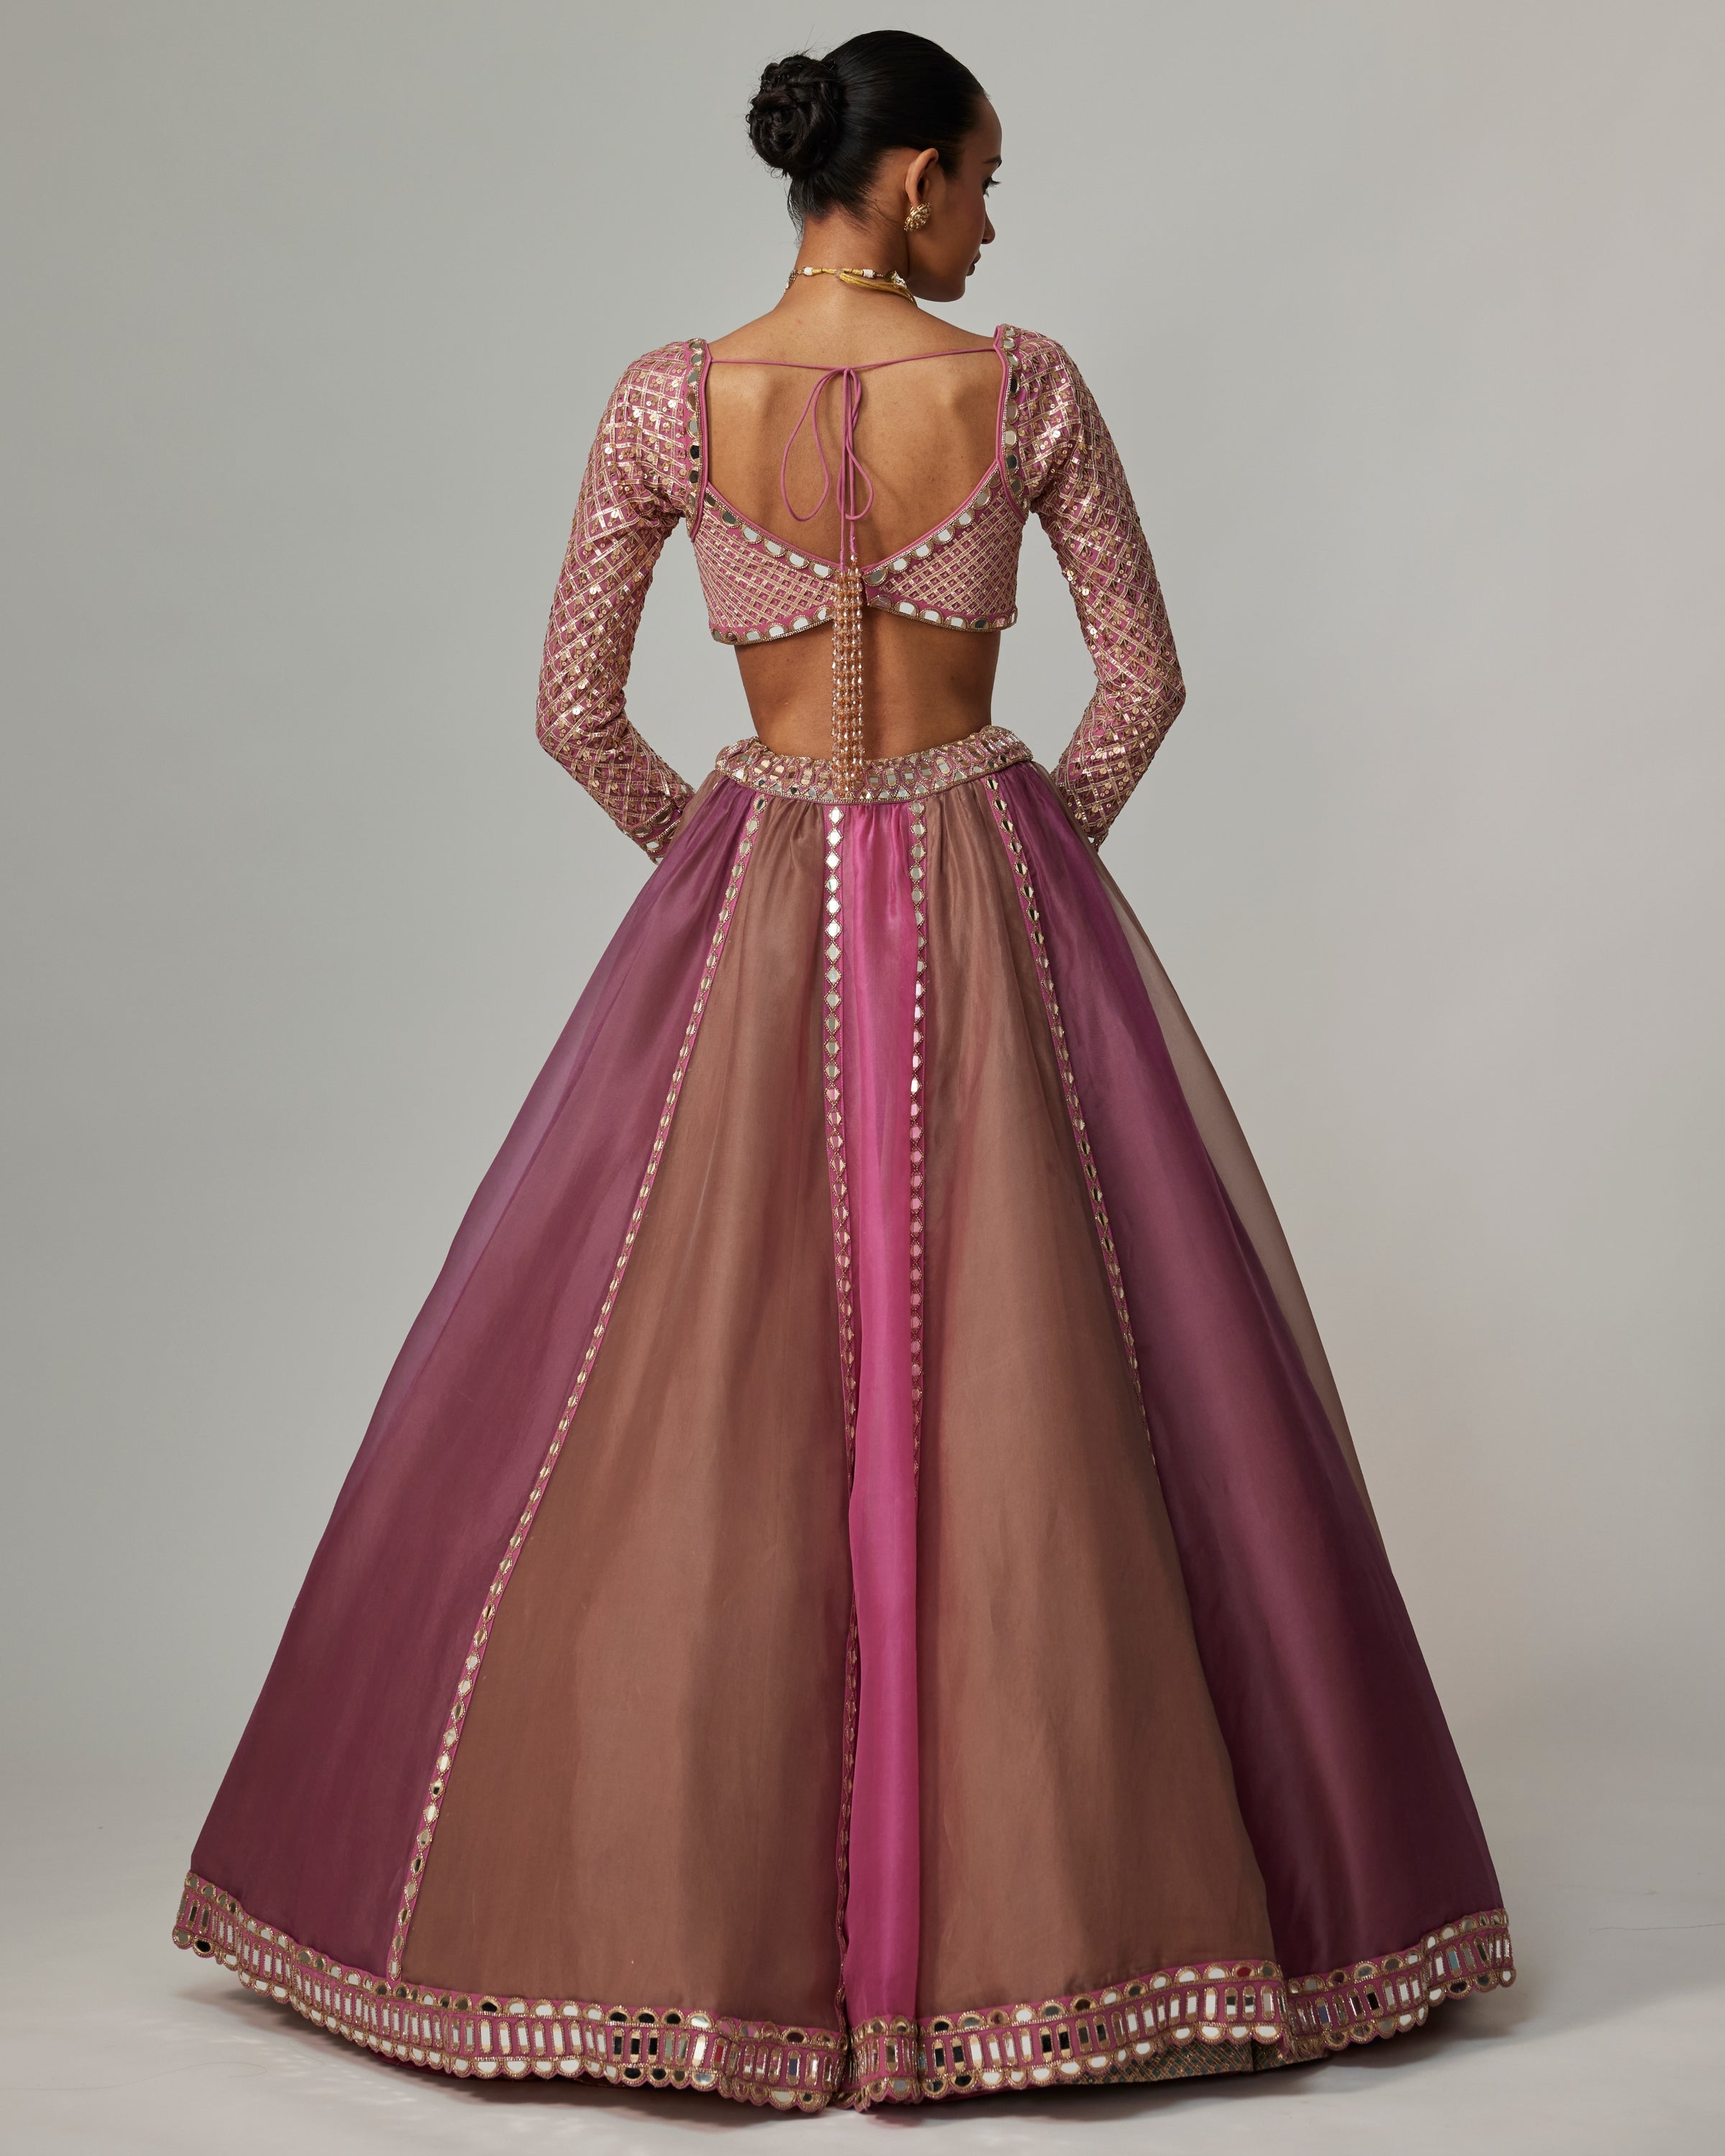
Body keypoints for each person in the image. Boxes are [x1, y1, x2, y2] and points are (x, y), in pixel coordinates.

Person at [172, 29, 1514, 2114]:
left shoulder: (666, 397)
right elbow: (1144, 683)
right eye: (984, 178)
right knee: (1046, 1380)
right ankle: (1094, 1929)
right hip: (987, 884)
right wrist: (1027, 863)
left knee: (680, 1390)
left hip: (763, 889)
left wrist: (717, 867)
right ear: (907, 186)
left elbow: (572, 710)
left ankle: (693, 1934)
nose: (993, 220)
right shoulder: (1027, 388)